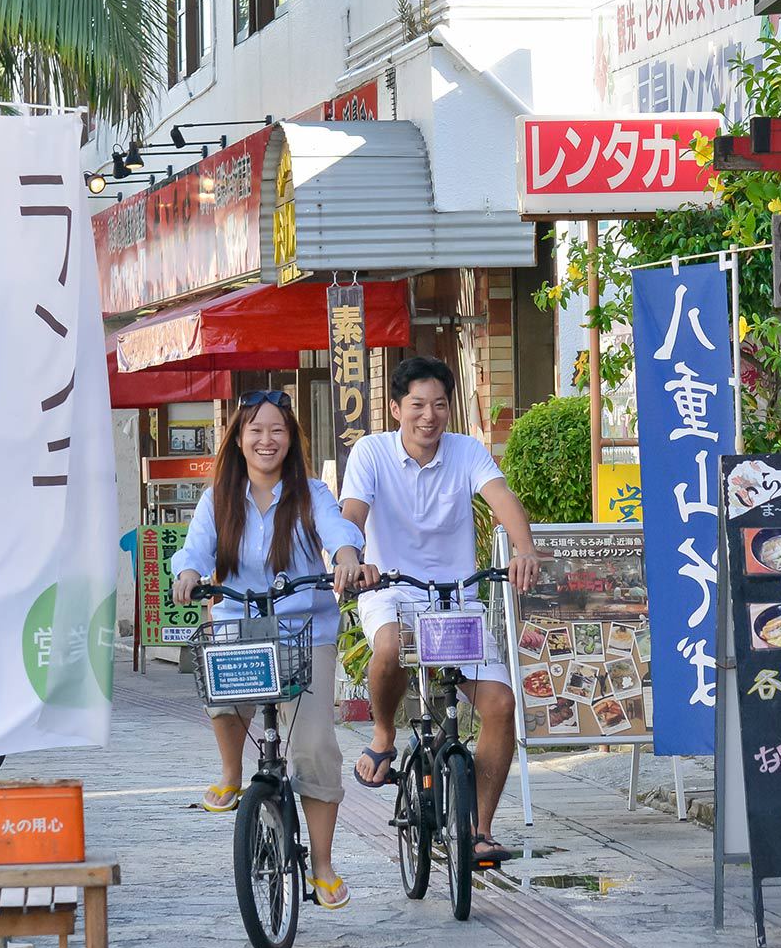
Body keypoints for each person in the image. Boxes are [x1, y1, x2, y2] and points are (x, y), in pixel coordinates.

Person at [339, 357, 541, 866]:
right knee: (388, 647)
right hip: (392, 591)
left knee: (499, 705)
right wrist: (350, 561)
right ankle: (384, 736)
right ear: (395, 408)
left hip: (456, 599)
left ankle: (479, 830)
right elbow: (351, 518)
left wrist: (524, 550)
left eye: (440, 405)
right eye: (417, 406)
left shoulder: (467, 451)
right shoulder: (370, 452)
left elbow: (503, 499)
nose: (429, 416)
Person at [171, 390, 365, 910]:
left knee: (315, 748)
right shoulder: (219, 499)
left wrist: (346, 556)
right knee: (219, 685)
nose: (266, 440)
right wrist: (188, 572)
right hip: (240, 626)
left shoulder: (311, 493)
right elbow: (193, 549)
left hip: (305, 630)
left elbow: (338, 530)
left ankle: (322, 865)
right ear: (238, 438)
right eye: (255, 430)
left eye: (276, 430)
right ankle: (233, 775)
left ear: (291, 438)